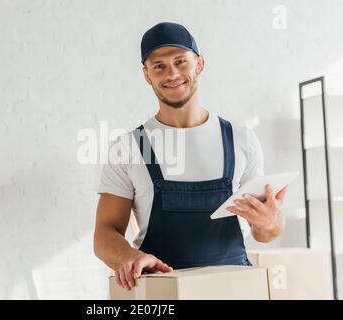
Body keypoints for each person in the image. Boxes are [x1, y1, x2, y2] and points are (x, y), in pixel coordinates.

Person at [94, 22, 288, 291]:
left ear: (199, 64)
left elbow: (266, 232)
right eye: (158, 66)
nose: (171, 73)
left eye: (180, 61)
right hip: (162, 293)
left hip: (235, 289)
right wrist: (131, 257)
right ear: (146, 75)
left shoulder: (241, 140)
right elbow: (104, 233)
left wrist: (270, 222)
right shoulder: (129, 146)